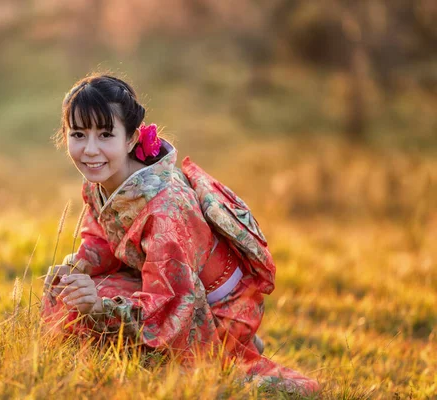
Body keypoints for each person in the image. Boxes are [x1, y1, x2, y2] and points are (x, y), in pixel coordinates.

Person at [41, 73, 319, 394]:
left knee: (178, 372)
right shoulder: (101, 181)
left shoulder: (165, 208)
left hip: (206, 305)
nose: (90, 150)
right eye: (78, 134)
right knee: (66, 293)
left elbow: (173, 305)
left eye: (105, 134)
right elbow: (102, 238)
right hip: (166, 286)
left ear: (130, 139)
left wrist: (99, 307)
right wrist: (78, 267)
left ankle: (231, 346)